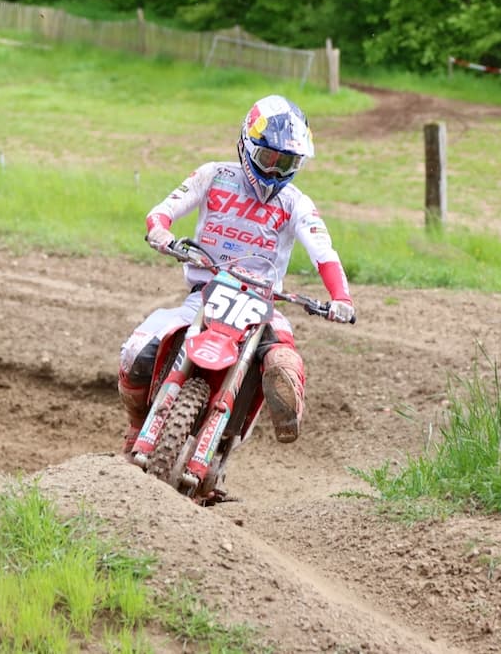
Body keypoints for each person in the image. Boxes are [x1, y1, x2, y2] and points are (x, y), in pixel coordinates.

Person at [118, 94, 355, 454]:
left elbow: (324, 253)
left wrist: (341, 298)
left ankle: (280, 424)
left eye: (286, 162)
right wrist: (161, 231)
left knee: (283, 363)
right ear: (247, 145)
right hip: (205, 292)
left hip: (262, 307)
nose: (275, 171)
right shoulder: (214, 175)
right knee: (137, 352)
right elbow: (163, 210)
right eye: (268, 159)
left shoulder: (296, 203)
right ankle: (137, 430)